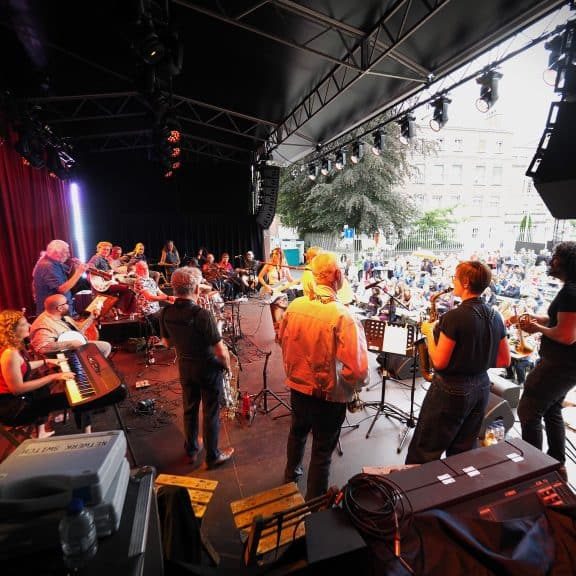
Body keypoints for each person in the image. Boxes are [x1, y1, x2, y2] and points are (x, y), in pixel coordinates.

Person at [279, 252, 368, 500]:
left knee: (296, 433)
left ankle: (289, 478)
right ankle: (315, 505)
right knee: (321, 450)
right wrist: (352, 388)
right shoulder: (344, 316)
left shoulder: (294, 306)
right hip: (328, 398)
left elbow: (281, 341)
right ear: (338, 275)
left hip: (297, 389)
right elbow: (358, 371)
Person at [406, 261, 511, 464]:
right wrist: (475, 358)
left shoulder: (454, 317)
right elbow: (504, 360)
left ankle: (415, 493)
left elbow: (439, 362)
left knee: (425, 450)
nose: (452, 282)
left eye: (454, 278)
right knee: (462, 452)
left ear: (466, 282)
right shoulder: (496, 316)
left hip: (451, 389)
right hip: (481, 387)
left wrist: (429, 333)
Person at [160, 267, 234, 468]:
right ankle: (213, 456)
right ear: (195, 288)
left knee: (189, 409)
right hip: (208, 367)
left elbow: (166, 343)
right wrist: (226, 367)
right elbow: (221, 351)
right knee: (210, 411)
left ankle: (191, 450)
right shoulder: (202, 314)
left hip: (185, 365)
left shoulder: (166, 311)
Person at [515, 242, 576, 480]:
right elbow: (560, 320)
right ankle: (556, 464)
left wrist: (536, 327)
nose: (551, 261)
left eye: (556, 257)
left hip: (559, 365)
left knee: (528, 410)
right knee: (551, 411)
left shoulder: (571, 292)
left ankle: (534, 470)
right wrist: (538, 319)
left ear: (566, 262)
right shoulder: (571, 290)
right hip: (566, 366)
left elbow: (566, 335)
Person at [0, 309, 87, 432]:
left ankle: (45, 428)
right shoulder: (10, 354)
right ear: (12, 329)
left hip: (19, 401)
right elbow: (17, 389)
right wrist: (54, 376)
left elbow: (23, 366)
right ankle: (85, 433)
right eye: (24, 324)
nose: (29, 326)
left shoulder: (11, 348)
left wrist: (47, 361)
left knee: (48, 389)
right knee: (75, 398)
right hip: (15, 409)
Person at [30, 294, 112, 358]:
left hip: (74, 348)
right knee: (104, 348)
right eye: (67, 303)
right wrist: (71, 344)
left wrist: (92, 316)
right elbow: (42, 348)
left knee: (105, 346)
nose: (70, 304)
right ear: (60, 308)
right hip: (64, 354)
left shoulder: (62, 317)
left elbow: (79, 330)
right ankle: (88, 371)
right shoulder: (44, 324)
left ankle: (91, 370)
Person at [32, 240, 87, 315]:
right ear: (57, 253)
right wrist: (79, 272)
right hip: (54, 313)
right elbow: (63, 289)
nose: (68, 255)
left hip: (60, 310)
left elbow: (69, 280)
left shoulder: (55, 263)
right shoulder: (48, 266)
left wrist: (75, 268)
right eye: (66, 252)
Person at [87, 241, 136, 314]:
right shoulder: (97, 257)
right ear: (98, 249)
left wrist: (125, 273)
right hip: (104, 285)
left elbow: (111, 272)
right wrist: (103, 274)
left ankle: (125, 312)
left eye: (108, 250)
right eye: (104, 249)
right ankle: (123, 311)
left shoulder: (105, 260)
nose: (106, 251)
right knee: (129, 289)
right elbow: (90, 266)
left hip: (108, 282)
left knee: (131, 289)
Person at [258, 247, 297, 339]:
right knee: (275, 318)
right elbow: (260, 277)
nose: (274, 256)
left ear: (281, 255)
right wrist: (266, 286)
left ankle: (281, 336)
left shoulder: (285, 267)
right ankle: (278, 335)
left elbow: (290, 279)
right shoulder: (268, 265)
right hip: (272, 292)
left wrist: (298, 281)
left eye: (277, 254)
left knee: (281, 317)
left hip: (282, 294)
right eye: (273, 254)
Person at [133, 260, 175, 337]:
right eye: (142, 268)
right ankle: (165, 339)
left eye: (146, 268)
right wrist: (168, 297)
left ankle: (169, 339)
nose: (145, 270)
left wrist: (173, 301)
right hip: (147, 313)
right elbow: (149, 298)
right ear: (137, 270)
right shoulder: (139, 281)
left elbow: (160, 293)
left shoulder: (151, 280)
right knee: (169, 316)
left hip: (156, 310)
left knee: (174, 311)